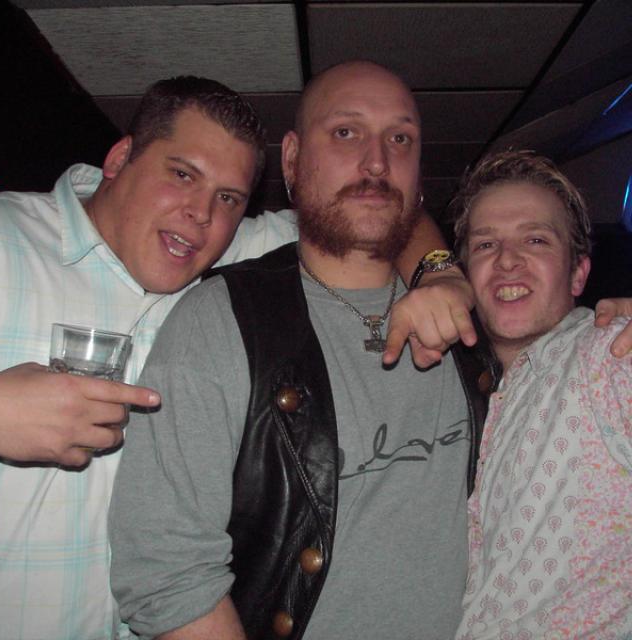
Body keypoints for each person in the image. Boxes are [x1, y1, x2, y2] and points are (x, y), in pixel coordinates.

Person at [0, 73, 470, 640]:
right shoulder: (3, 240)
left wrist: (442, 272)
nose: (201, 212)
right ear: (120, 159)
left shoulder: (235, 257)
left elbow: (378, 206)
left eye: (228, 198)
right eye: (182, 174)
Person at [108, 60, 503, 640]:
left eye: (400, 139)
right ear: (291, 159)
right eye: (346, 132)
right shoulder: (221, 320)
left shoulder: (475, 315)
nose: (377, 162)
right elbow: (166, 575)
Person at [449, 150, 632, 639]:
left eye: (535, 239)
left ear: (578, 273)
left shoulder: (609, 356)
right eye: (486, 244)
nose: (507, 259)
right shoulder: (469, 394)